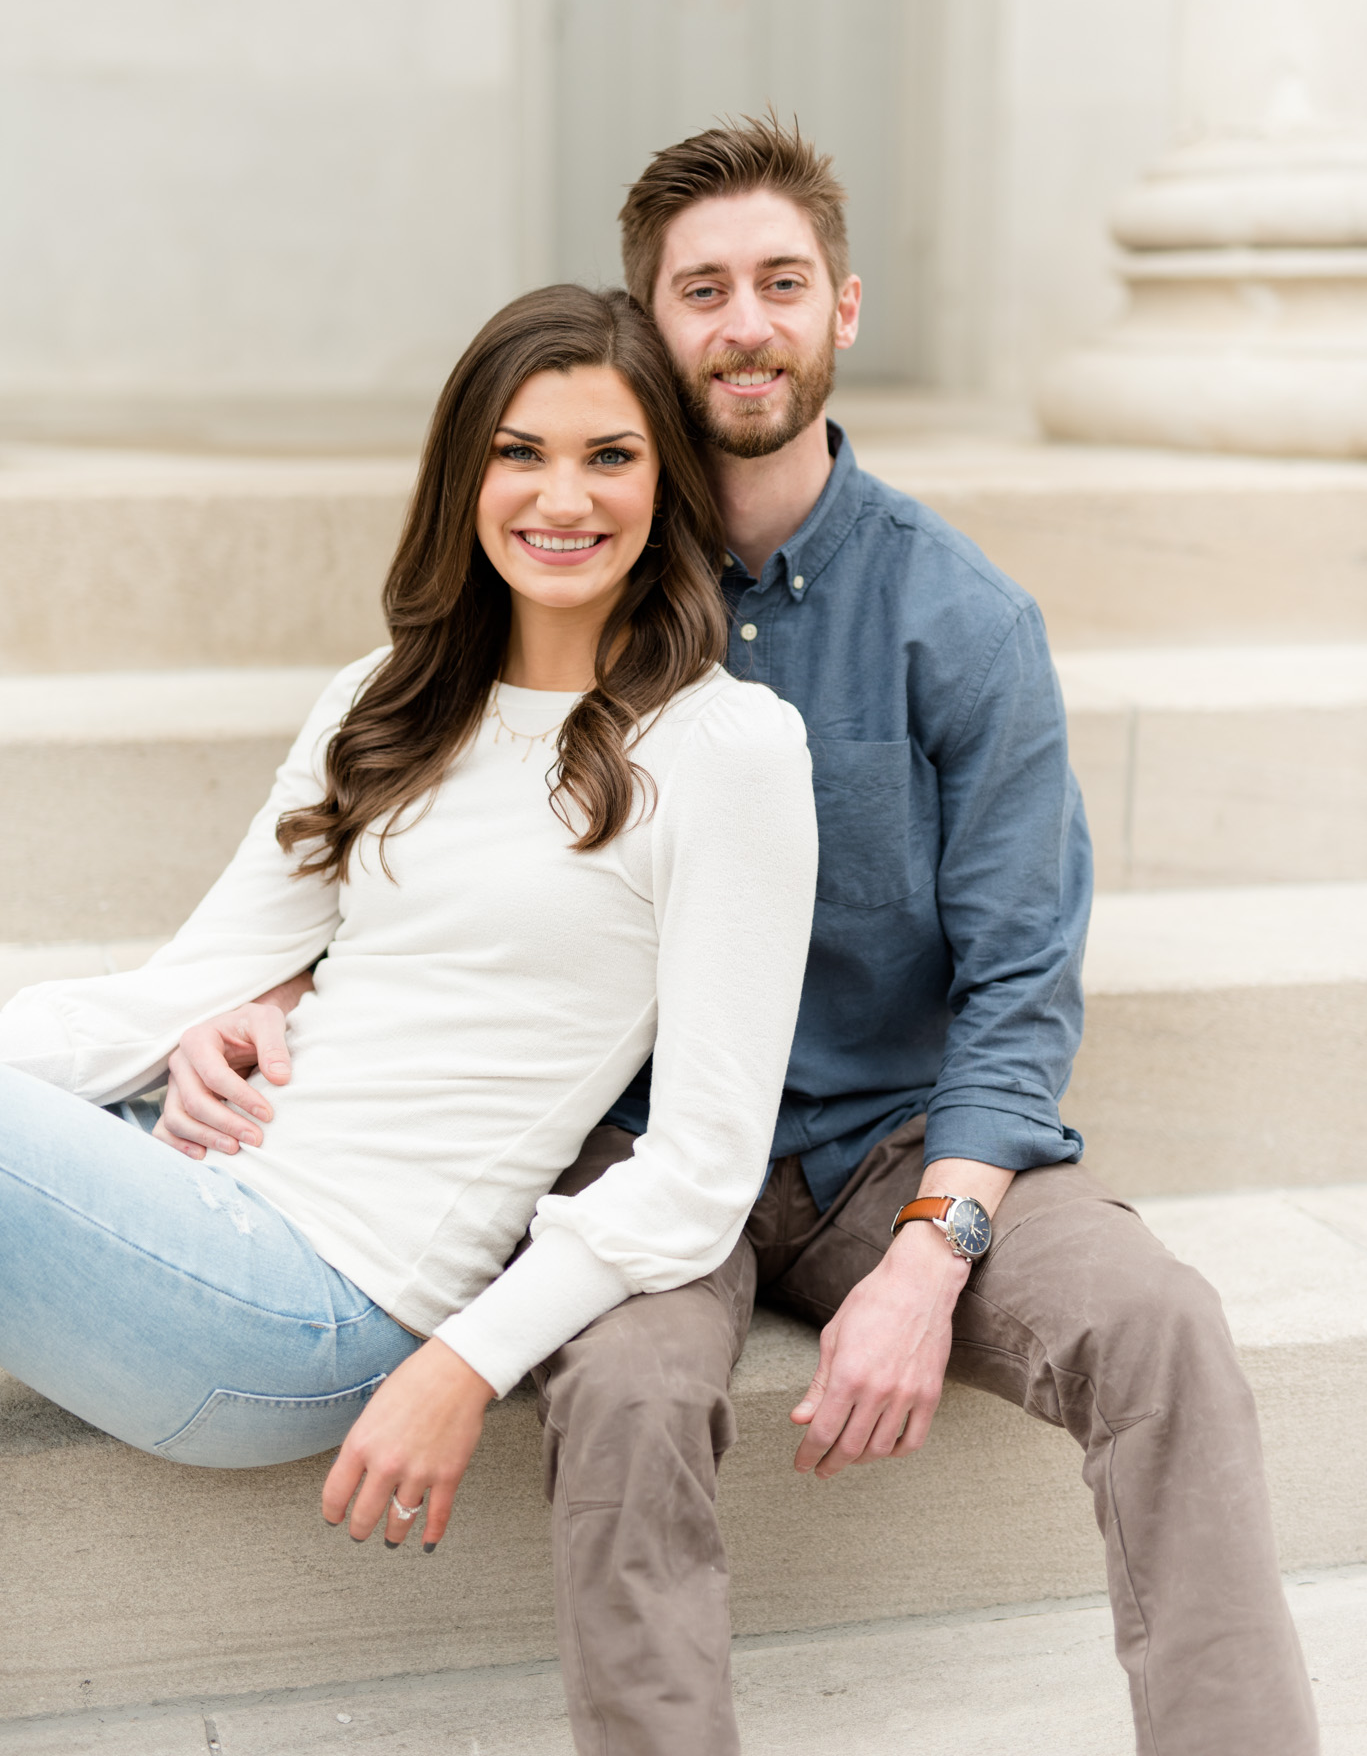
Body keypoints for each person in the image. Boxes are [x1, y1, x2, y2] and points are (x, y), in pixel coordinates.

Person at [155, 120, 1318, 1756]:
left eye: (779, 282)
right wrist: (267, 983)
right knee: (625, 1392)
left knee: (1161, 1326)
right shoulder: (578, 557)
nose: (743, 322)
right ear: (646, 327)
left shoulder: (955, 617)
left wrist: (936, 1250)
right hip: (627, 1154)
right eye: (699, 290)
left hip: (882, 1139)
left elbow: (1019, 970)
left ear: (843, 309)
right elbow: (433, 819)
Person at [0, 284, 818, 1566]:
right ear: (462, 472)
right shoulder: (378, 702)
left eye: (610, 456)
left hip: (310, 1300)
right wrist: (198, 1035)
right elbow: (182, 984)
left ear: (665, 484)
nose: (563, 499)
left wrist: (465, 1360)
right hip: (184, 1183)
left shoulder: (726, 751)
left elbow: (700, 1170)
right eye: (518, 453)